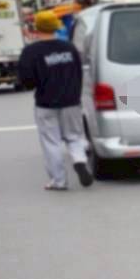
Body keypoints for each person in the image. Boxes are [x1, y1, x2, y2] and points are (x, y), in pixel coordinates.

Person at [19, 11, 91, 190]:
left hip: (46, 103)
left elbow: (26, 81)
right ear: (56, 27)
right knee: (74, 136)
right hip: (71, 101)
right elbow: (79, 73)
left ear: (36, 27)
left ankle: (59, 181)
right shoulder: (69, 48)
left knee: (51, 142)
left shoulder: (31, 51)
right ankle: (80, 160)